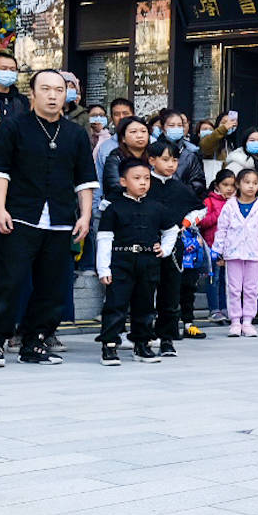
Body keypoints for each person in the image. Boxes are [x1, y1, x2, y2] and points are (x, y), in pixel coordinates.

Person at [0, 68, 97, 367]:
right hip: (20, 215)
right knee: (11, 281)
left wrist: (84, 216)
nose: (53, 95)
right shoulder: (14, 127)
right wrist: (0, 209)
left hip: (60, 219)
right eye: (46, 89)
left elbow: (84, 179)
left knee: (52, 286)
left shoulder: (75, 133)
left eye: (59, 90)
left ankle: (36, 342)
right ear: (32, 94)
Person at [95, 156, 165, 365]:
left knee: (144, 304)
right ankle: (109, 345)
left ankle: (142, 343)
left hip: (147, 261)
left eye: (146, 178)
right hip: (121, 261)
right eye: (136, 178)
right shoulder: (113, 207)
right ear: (124, 181)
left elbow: (171, 230)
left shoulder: (155, 206)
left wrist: (165, 248)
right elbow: (105, 238)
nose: (143, 182)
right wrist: (103, 268)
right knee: (116, 304)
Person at [145, 140, 206, 351]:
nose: (171, 164)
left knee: (170, 293)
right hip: (146, 245)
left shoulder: (180, 187)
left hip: (173, 248)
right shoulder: (144, 184)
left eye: (174, 160)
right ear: (152, 160)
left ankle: (167, 338)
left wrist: (186, 223)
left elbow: (201, 209)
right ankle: (143, 335)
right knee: (144, 292)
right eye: (165, 159)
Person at [211, 167, 258, 336]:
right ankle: (234, 321)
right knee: (233, 288)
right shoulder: (230, 206)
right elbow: (222, 230)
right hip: (233, 253)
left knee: (251, 288)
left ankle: (247, 321)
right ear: (238, 184)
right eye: (247, 182)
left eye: (255, 183)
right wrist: (218, 251)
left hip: (254, 253)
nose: (251, 186)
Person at [201, 169, 236, 324]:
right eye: (225, 185)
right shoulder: (209, 201)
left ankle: (224, 308)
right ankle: (214, 309)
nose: (229, 189)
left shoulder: (235, 202)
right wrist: (220, 213)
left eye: (232, 185)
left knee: (225, 279)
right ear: (217, 185)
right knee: (213, 278)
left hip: (230, 246)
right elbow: (203, 222)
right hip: (212, 245)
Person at [101, 117, 152, 208]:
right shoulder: (115, 158)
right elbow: (115, 187)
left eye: (143, 131)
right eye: (133, 132)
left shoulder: (154, 156)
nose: (140, 135)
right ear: (123, 138)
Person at [158, 110, 208, 198]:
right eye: (171, 126)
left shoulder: (190, 154)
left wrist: (181, 191)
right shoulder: (154, 150)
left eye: (180, 125)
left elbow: (198, 183)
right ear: (163, 128)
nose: (176, 128)